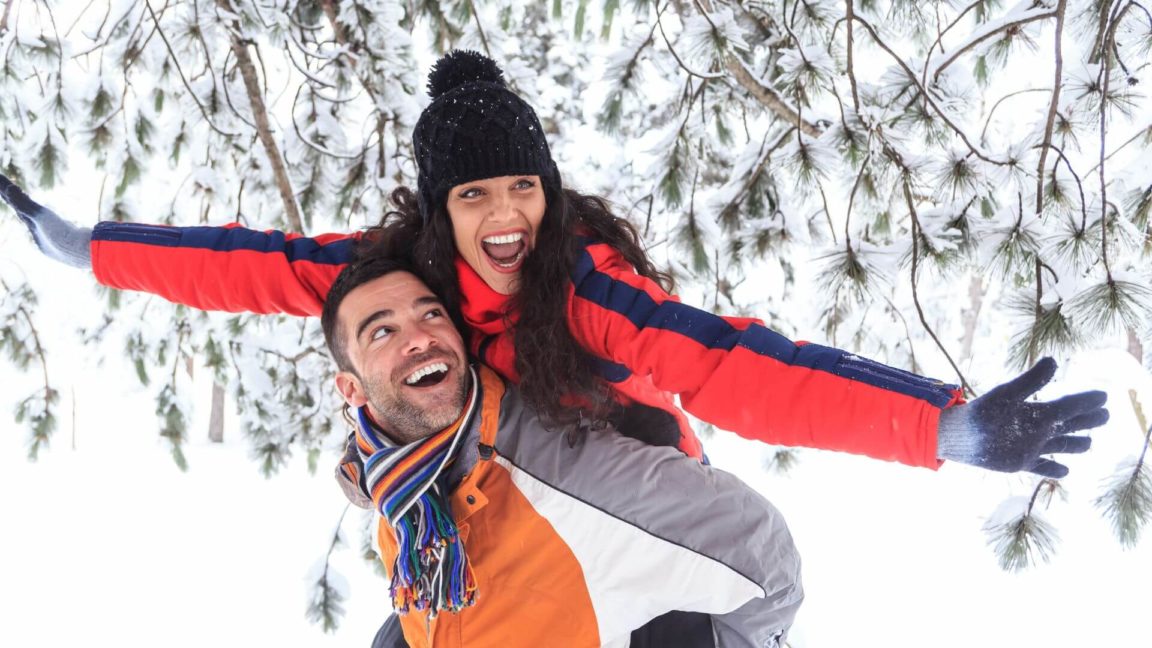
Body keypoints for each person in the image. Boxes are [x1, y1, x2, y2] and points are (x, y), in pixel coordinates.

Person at [0, 50, 1109, 479]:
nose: (505, 215)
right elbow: (243, 265)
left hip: (635, 479)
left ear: (548, 188)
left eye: (522, 186)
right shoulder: (394, 273)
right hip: (499, 492)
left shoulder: (586, 287)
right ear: (440, 207)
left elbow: (737, 365)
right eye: (475, 192)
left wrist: (942, 425)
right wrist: (80, 244)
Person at [320, 254, 802, 647]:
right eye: (382, 331)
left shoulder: (564, 476)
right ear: (352, 389)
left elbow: (763, 555)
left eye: (430, 313)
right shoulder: (390, 471)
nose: (420, 337)